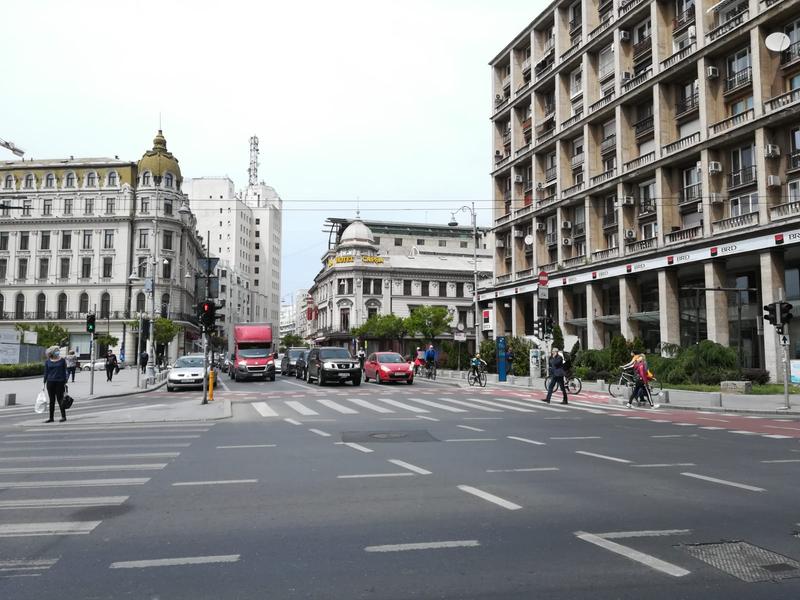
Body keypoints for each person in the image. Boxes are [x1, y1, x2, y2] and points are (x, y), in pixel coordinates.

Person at [43, 346, 67, 423]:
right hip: (50, 382)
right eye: (56, 350)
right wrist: (44, 382)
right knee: (51, 400)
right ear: (52, 352)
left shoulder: (62, 360)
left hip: (60, 382)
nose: (58, 352)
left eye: (58, 350)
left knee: (60, 399)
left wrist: (65, 380)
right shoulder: (47, 361)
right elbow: (46, 372)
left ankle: (63, 416)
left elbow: (65, 371)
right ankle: (51, 418)